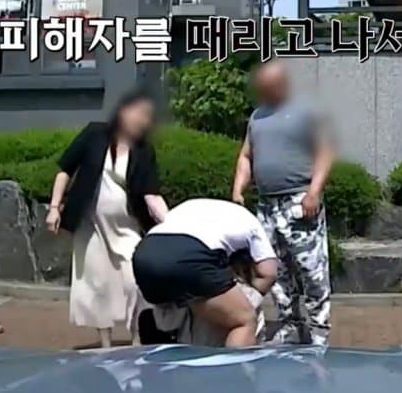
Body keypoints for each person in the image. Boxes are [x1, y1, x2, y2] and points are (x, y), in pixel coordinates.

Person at [45, 89, 169, 348]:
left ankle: (137, 339)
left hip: (126, 226)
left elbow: (151, 194)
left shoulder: (144, 149)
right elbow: (65, 169)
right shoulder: (94, 134)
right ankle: (105, 345)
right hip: (91, 225)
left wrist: (170, 223)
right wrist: (54, 207)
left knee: (135, 281)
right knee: (98, 283)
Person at [231, 59, 335, 346]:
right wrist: (238, 189)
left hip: (299, 201)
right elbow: (246, 156)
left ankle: (318, 330)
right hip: (267, 206)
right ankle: (290, 325)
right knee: (274, 269)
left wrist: (314, 191)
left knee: (311, 269)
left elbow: (325, 151)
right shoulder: (258, 116)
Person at [132, 198, 278, 348]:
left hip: (145, 254)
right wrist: (249, 298)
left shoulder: (190, 206)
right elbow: (269, 273)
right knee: (244, 320)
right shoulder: (250, 221)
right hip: (189, 258)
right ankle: (233, 363)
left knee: (176, 314)